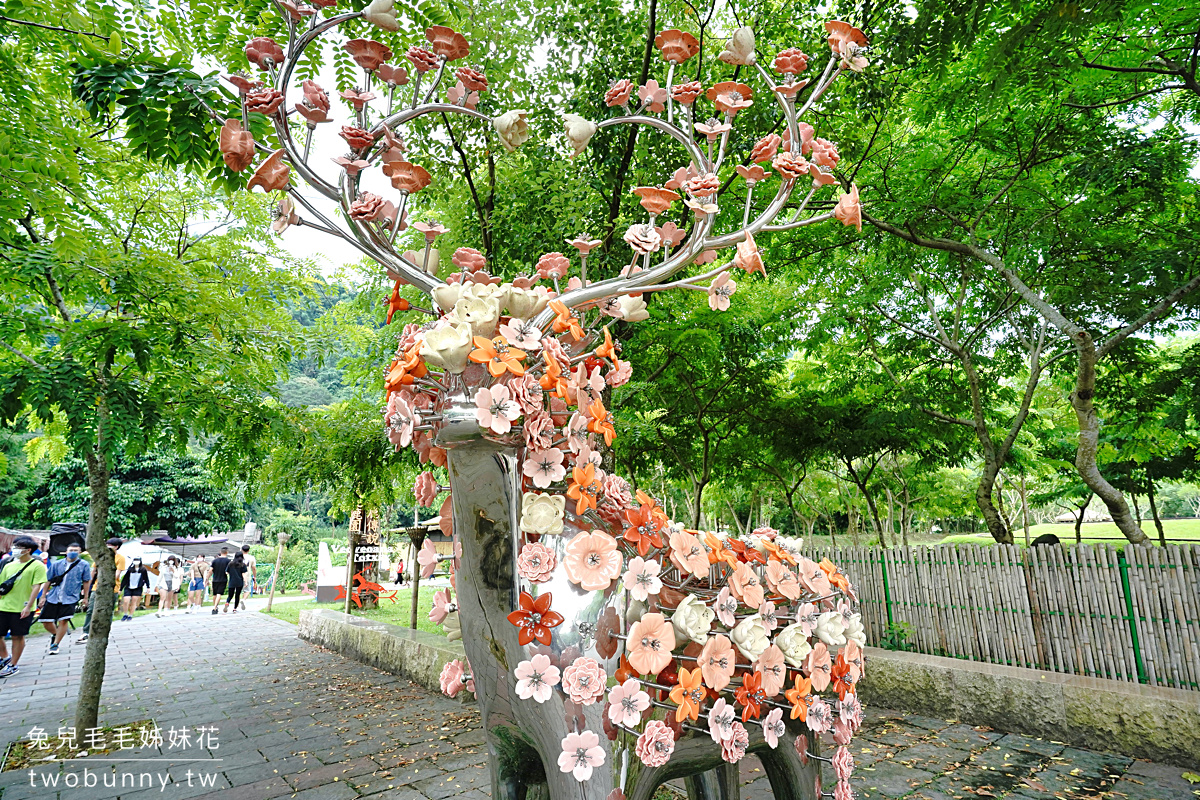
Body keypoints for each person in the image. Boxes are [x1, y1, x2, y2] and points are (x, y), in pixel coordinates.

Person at [0, 537, 49, 677]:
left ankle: (13, 665)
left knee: (17, 636)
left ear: (28, 550)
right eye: (14, 546)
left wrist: (28, 606)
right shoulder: (8, 565)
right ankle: (5, 658)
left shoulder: (37, 565)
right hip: (4, 605)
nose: (14, 549)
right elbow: (2, 586)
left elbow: (36, 587)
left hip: (21, 607)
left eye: (18, 546)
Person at [39, 543, 91, 655]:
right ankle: (55, 633)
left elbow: (86, 581)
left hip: (70, 597)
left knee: (64, 619)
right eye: (71, 550)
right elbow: (48, 580)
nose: (73, 552)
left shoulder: (84, 565)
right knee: (45, 621)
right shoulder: (57, 564)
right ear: (66, 551)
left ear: (80, 552)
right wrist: (43, 596)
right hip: (54, 595)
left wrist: (86, 597)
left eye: (76, 550)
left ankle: (55, 644)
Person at [77, 538, 126, 644]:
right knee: (91, 609)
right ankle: (86, 632)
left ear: (116, 546)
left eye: (109, 545)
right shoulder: (100, 557)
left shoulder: (120, 558)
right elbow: (93, 572)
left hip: (112, 588)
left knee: (108, 611)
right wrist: (86, 588)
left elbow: (117, 574)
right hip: (96, 587)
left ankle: (103, 631)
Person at [209, 548, 230, 616]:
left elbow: (210, 570)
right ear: (227, 552)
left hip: (215, 579)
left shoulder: (215, 561)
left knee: (215, 594)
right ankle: (215, 607)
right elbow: (229, 571)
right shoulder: (228, 561)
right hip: (223, 579)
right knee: (219, 593)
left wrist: (207, 578)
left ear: (220, 552)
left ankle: (215, 606)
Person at [238, 545, 257, 609]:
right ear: (248, 550)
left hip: (238, 575)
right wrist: (255, 576)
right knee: (247, 590)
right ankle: (243, 599)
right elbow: (254, 568)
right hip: (247, 575)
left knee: (238, 590)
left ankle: (236, 604)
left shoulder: (238, 557)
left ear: (241, 550)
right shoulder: (251, 558)